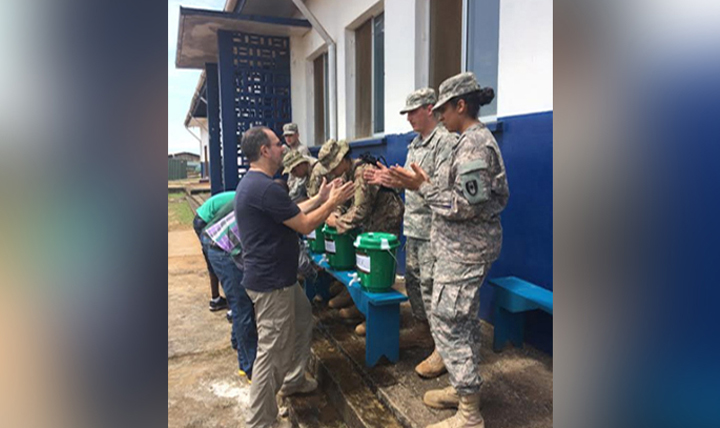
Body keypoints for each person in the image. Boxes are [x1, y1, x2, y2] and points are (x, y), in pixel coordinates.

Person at [383, 72, 509, 428]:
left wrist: (422, 188)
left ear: (461, 105)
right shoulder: (465, 141)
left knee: (449, 321)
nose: (439, 116)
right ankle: (462, 388)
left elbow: (466, 205)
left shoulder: (474, 145)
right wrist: (417, 183)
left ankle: (469, 413)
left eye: (443, 110)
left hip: (466, 250)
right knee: (460, 319)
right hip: (457, 248)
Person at [235, 126, 354, 428]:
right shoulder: (264, 187)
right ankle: (260, 422)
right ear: (264, 150)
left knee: (302, 319)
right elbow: (302, 224)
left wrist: (319, 197)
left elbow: (290, 210)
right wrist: (331, 203)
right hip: (271, 284)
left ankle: (293, 380)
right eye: (278, 144)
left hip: (278, 279)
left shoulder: (259, 185)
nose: (284, 149)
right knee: (271, 354)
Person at [365, 87, 457, 377]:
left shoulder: (446, 143)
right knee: (415, 283)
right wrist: (389, 180)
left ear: (430, 109)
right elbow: (409, 182)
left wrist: (404, 181)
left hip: (435, 229)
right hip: (414, 226)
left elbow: (441, 189)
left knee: (433, 287)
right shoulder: (415, 145)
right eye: (406, 114)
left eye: (413, 112)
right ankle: (422, 330)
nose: (408, 119)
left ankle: (443, 348)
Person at [321, 139, 405, 335]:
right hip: (371, 221)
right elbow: (345, 200)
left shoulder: (360, 173)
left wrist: (338, 222)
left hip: (385, 220)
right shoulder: (347, 172)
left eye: (333, 166)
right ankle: (362, 308)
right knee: (363, 266)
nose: (332, 171)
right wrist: (336, 212)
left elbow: (360, 210)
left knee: (378, 269)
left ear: (342, 159)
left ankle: (378, 319)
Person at [202, 206, 258, 381]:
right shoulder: (267, 209)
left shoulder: (255, 198)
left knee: (241, 304)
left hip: (217, 243)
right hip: (222, 250)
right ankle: (249, 368)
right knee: (242, 307)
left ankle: (238, 345)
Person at [193, 190, 235, 311]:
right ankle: (232, 307)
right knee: (224, 261)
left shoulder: (241, 194)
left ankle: (215, 299)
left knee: (212, 261)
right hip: (205, 221)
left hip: (201, 218)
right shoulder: (245, 200)